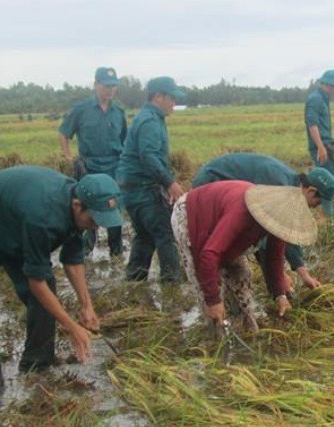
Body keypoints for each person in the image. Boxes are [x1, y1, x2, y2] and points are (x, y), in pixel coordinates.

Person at [0, 166, 123, 397]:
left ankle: (37, 366)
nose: (97, 226)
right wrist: (72, 327)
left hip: (14, 228)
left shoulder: (78, 204)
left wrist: (86, 306)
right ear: (77, 205)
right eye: (94, 219)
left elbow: (72, 260)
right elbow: (36, 283)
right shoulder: (43, 217)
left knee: (47, 289)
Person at [170, 181, 318, 334]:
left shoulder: (279, 219)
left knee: (242, 275)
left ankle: (246, 327)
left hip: (221, 218)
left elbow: (274, 257)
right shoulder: (243, 211)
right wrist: (213, 300)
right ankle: (218, 340)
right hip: (191, 214)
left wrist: (280, 295)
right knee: (206, 289)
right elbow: (209, 253)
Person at [192, 152, 334, 292]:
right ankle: (213, 297)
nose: (314, 207)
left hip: (229, 193)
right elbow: (264, 243)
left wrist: (303, 273)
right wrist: (279, 281)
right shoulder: (278, 187)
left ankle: (229, 297)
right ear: (311, 191)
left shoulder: (291, 189)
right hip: (210, 184)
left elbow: (285, 232)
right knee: (218, 251)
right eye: (318, 202)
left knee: (235, 257)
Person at [116, 76, 186, 282]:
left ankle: (134, 281)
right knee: (166, 234)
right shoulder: (150, 121)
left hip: (131, 189)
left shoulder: (146, 117)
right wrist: (169, 183)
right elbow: (148, 156)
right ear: (157, 97)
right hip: (144, 189)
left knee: (145, 236)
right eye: (171, 98)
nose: (174, 103)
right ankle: (172, 286)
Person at [59, 66, 127, 257]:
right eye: (106, 86)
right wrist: (68, 156)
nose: (110, 90)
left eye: (114, 86)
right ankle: (84, 252)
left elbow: (125, 141)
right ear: (96, 84)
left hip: (113, 167)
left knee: (114, 208)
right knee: (89, 208)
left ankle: (116, 253)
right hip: (89, 168)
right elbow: (65, 133)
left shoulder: (119, 112)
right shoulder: (81, 110)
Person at [305, 69, 334, 206]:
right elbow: (312, 125)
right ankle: (328, 209)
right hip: (321, 146)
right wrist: (320, 147)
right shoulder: (315, 99)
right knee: (331, 180)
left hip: (327, 145)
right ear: (327, 84)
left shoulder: (323, 99)